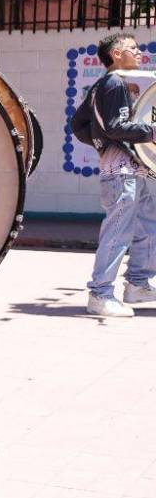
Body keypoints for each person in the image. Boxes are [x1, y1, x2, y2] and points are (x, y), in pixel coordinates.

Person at [84, 31, 156, 317]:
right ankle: (100, 294)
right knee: (119, 232)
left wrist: (101, 143)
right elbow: (114, 126)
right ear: (116, 54)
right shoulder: (113, 82)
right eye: (133, 48)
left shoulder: (113, 84)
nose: (139, 53)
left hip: (136, 169)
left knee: (148, 227)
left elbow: (80, 124)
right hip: (122, 171)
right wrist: (150, 132)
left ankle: (137, 285)